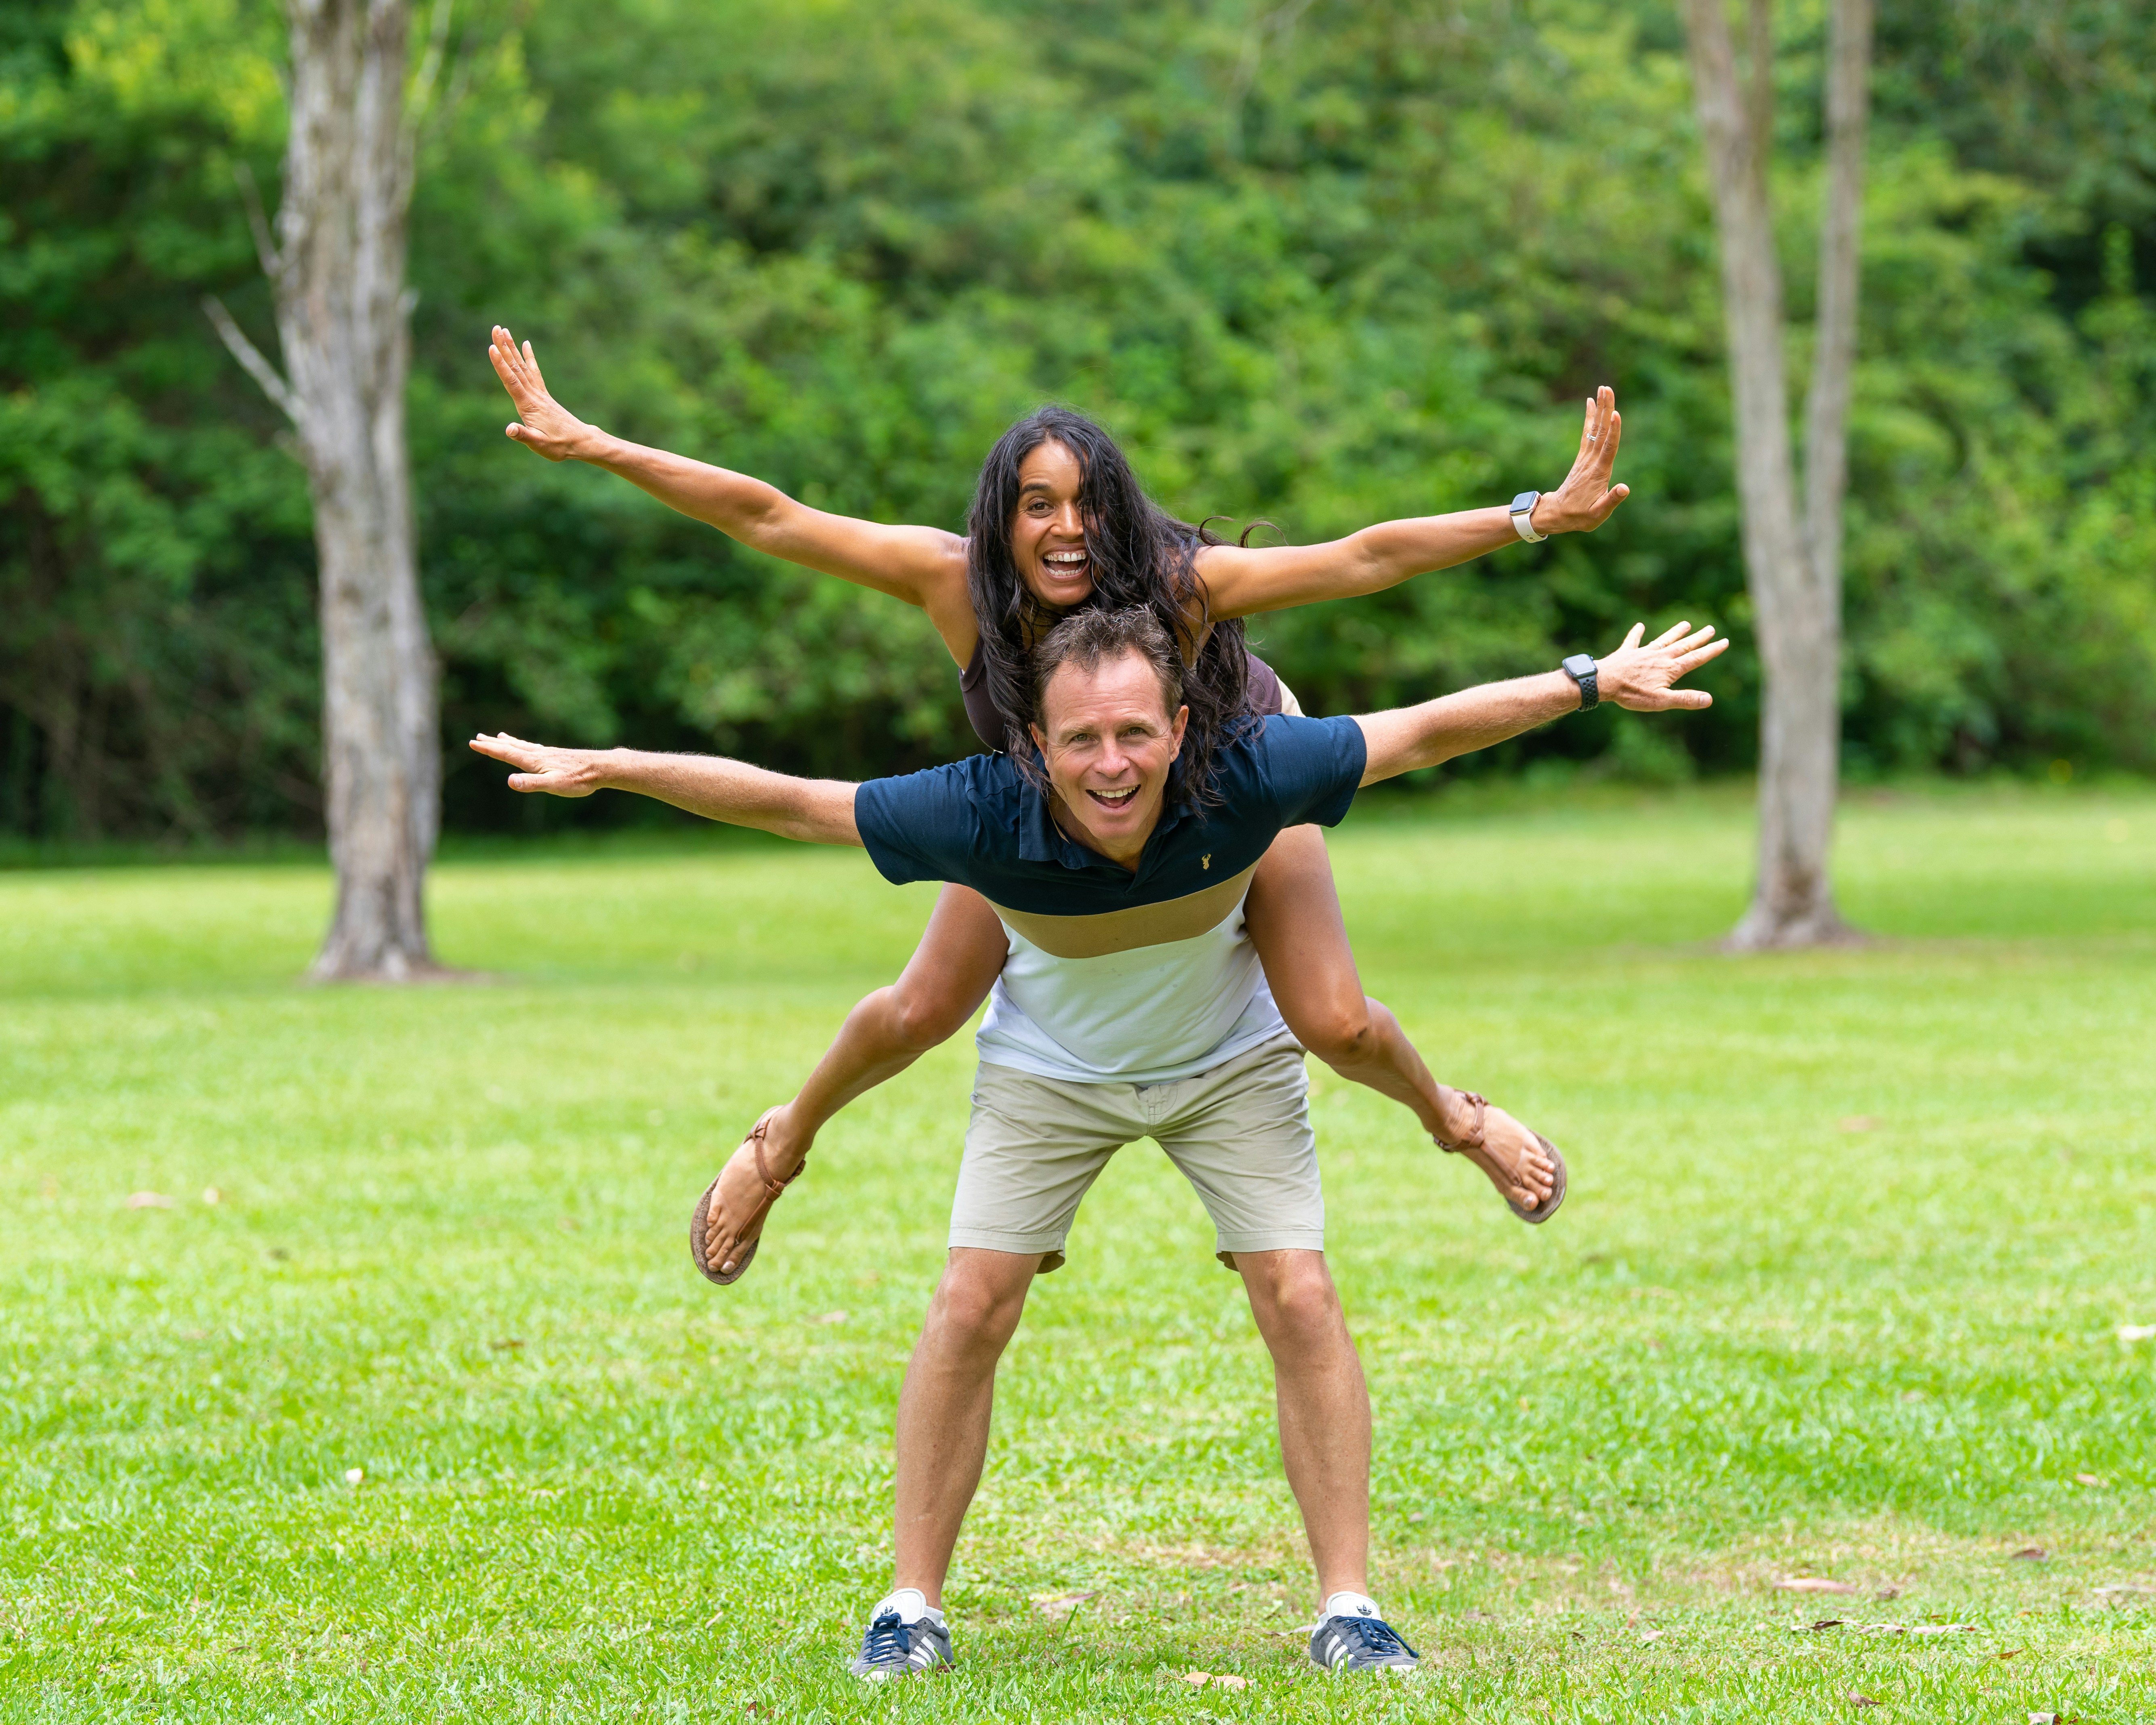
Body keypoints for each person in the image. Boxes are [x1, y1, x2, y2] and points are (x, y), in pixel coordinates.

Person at [469, 604, 1725, 1678]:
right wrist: (619, 764)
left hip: (1227, 1059)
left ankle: (1351, 1608)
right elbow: (799, 805)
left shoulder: (1253, 777)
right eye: (1082, 739)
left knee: (1299, 1285)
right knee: (972, 1297)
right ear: (1035, 745)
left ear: (1182, 730)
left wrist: (1587, 682)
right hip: (1050, 1069)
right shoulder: (981, 809)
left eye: (1136, 733)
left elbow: (1427, 729)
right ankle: (909, 1608)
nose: (1113, 763)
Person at [487, 327, 1632, 1237]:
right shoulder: (954, 587)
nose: (1066, 527)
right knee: (917, 1009)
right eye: (1038, 503)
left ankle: (1455, 1120)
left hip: (1229, 776)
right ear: (1004, 517)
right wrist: (596, 447)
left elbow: (1359, 558)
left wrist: (1535, 516)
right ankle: (778, 1144)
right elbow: (768, 516)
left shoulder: (1182, 587)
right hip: (1056, 805)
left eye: (1086, 501)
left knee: (1331, 1020)